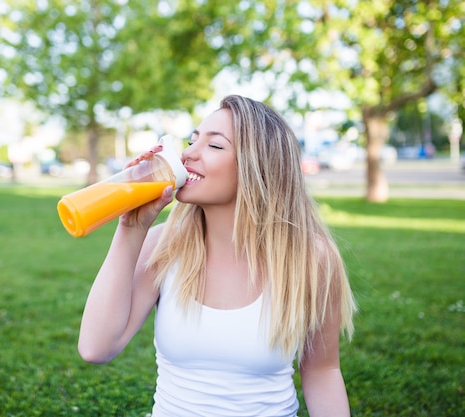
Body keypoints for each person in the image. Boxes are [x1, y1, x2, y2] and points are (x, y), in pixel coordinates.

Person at [78, 95, 357, 416]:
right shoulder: (162, 245)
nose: (186, 154)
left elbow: (322, 371)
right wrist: (131, 227)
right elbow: (95, 348)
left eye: (214, 146)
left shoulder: (311, 258)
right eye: (192, 140)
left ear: (259, 167)